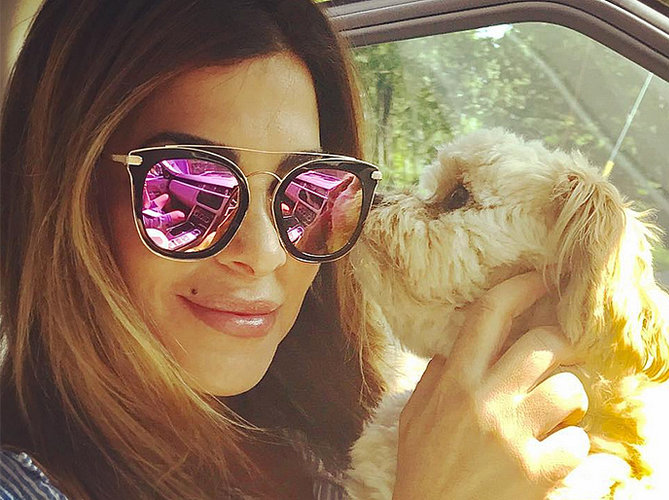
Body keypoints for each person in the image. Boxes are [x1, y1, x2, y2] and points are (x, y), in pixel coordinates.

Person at [0, 1, 590, 498]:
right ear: (64, 192)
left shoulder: (344, 426)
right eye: (187, 191)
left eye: (309, 193)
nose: (265, 253)